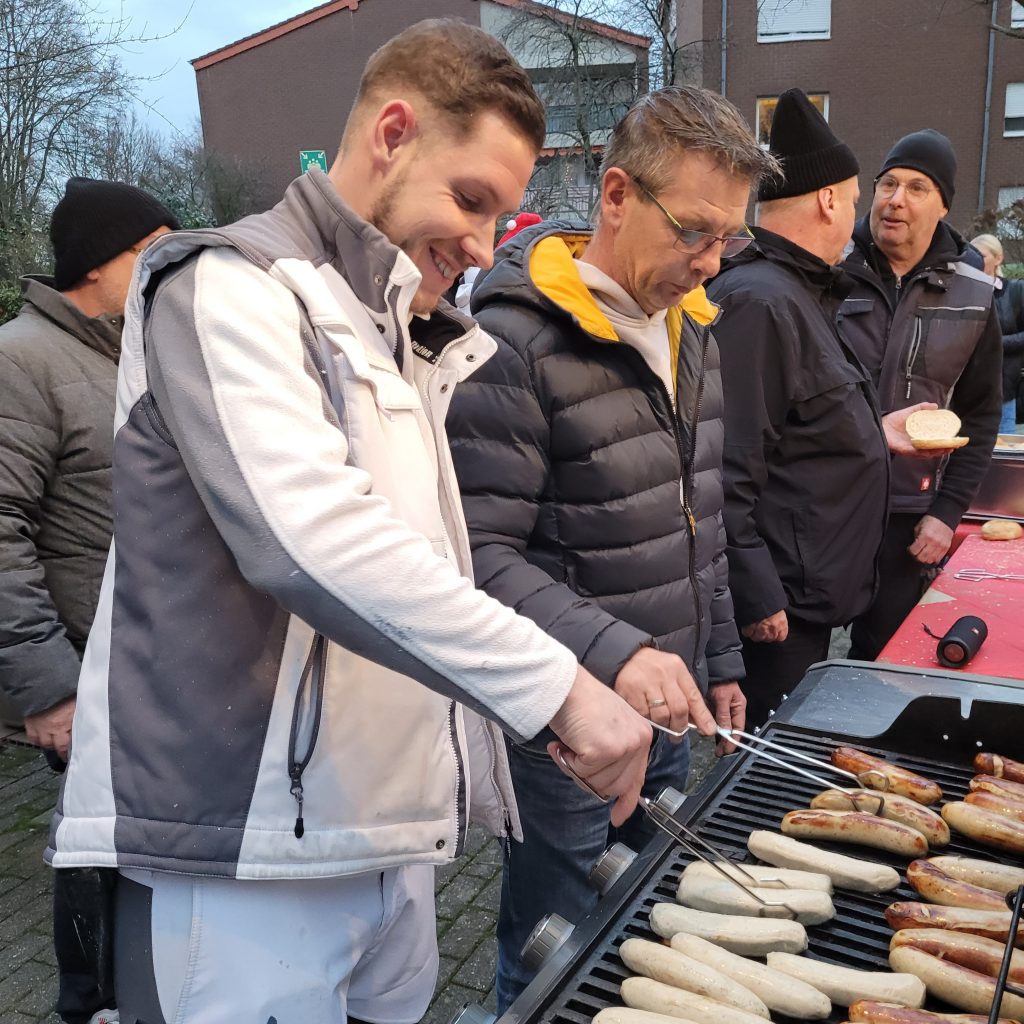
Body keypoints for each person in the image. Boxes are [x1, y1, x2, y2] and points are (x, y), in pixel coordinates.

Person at [45, 21, 654, 1024]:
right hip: (239, 857)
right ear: (392, 133)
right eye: (471, 199)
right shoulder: (225, 285)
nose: (481, 243)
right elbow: (312, 540)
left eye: (499, 216)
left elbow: (423, 574)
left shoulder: (402, 332)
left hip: (385, 847)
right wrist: (557, 688)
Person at [447, 85, 775, 1010]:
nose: (712, 266)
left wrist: (717, 656)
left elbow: (696, 514)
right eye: (696, 232)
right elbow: (477, 556)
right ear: (618, 195)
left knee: (643, 923)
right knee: (550, 939)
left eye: (729, 241)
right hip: (568, 725)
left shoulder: (692, 329)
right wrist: (616, 653)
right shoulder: (512, 343)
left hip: (671, 709)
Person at [707, 91, 944, 727]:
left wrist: (875, 430)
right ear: (829, 199)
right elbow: (726, 468)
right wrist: (757, 598)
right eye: (860, 198)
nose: (860, 216)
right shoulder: (761, 300)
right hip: (782, 604)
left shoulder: (801, 290)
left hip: (808, 593)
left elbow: (801, 420)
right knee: (768, 775)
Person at [0, 176, 178, 1024]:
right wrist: (48, 685)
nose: (165, 270)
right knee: (91, 848)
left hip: (144, 666)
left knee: (133, 849)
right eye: (150, 253)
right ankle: (88, 1005)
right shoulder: (21, 360)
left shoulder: (134, 353)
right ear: (98, 264)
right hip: (81, 672)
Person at [841, 130, 1002, 660]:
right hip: (825, 502)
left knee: (885, 652)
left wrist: (947, 513)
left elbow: (979, 416)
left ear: (943, 205)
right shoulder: (829, 272)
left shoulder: (974, 295)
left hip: (910, 511)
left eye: (916, 187)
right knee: (793, 655)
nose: (896, 199)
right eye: (888, 183)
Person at [971, 233, 1024, 435]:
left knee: (1002, 449)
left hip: (1004, 390)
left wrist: (994, 343)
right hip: (967, 392)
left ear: (998, 259)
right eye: (971, 255)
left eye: (981, 256)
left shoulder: (1016, 292)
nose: (975, 260)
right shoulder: (960, 292)